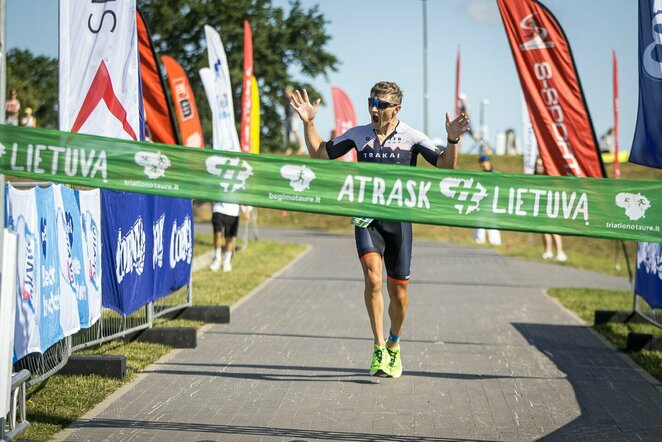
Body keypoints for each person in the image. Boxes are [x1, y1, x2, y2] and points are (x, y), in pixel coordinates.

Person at [290, 81, 469, 378]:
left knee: (398, 294)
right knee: (373, 281)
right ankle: (377, 346)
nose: (374, 108)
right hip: (367, 218)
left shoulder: (412, 136)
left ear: (396, 109)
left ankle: (394, 344)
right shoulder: (359, 135)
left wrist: (451, 141)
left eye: (382, 105)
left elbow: (445, 167)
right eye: (371, 102)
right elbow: (320, 154)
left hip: (399, 222)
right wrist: (310, 123)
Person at [534, 156, 567, 262]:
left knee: (554, 229)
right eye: (537, 165)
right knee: (544, 230)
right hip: (541, 207)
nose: (539, 167)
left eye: (541, 165)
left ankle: (560, 252)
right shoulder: (534, 178)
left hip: (552, 206)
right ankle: (548, 251)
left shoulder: (550, 177)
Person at [473, 155, 502, 246]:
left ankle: (496, 244)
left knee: (492, 225)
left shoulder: (496, 174)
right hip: (481, 204)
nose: (484, 164)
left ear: (489, 162)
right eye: (482, 163)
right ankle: (479, 243)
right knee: (479, 224)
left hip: (493, 204)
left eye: (485, 162)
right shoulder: (479, 176)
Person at [209, 201, 240, 272]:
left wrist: (246, 209)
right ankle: (217, 259)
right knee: (217, 234)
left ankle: (227, 261)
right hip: (218, 208)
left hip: (233, 212)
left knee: (229, 238)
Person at [283, 84, 304, 155]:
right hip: (288, 117)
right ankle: (288, 149)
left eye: (287, 90)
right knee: (287, 133)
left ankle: (301, 147)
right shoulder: (286, 98)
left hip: (294, 117)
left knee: (294, 130)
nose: (286, 91)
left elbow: (299, 104)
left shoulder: (294, 97)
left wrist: (297, 112)